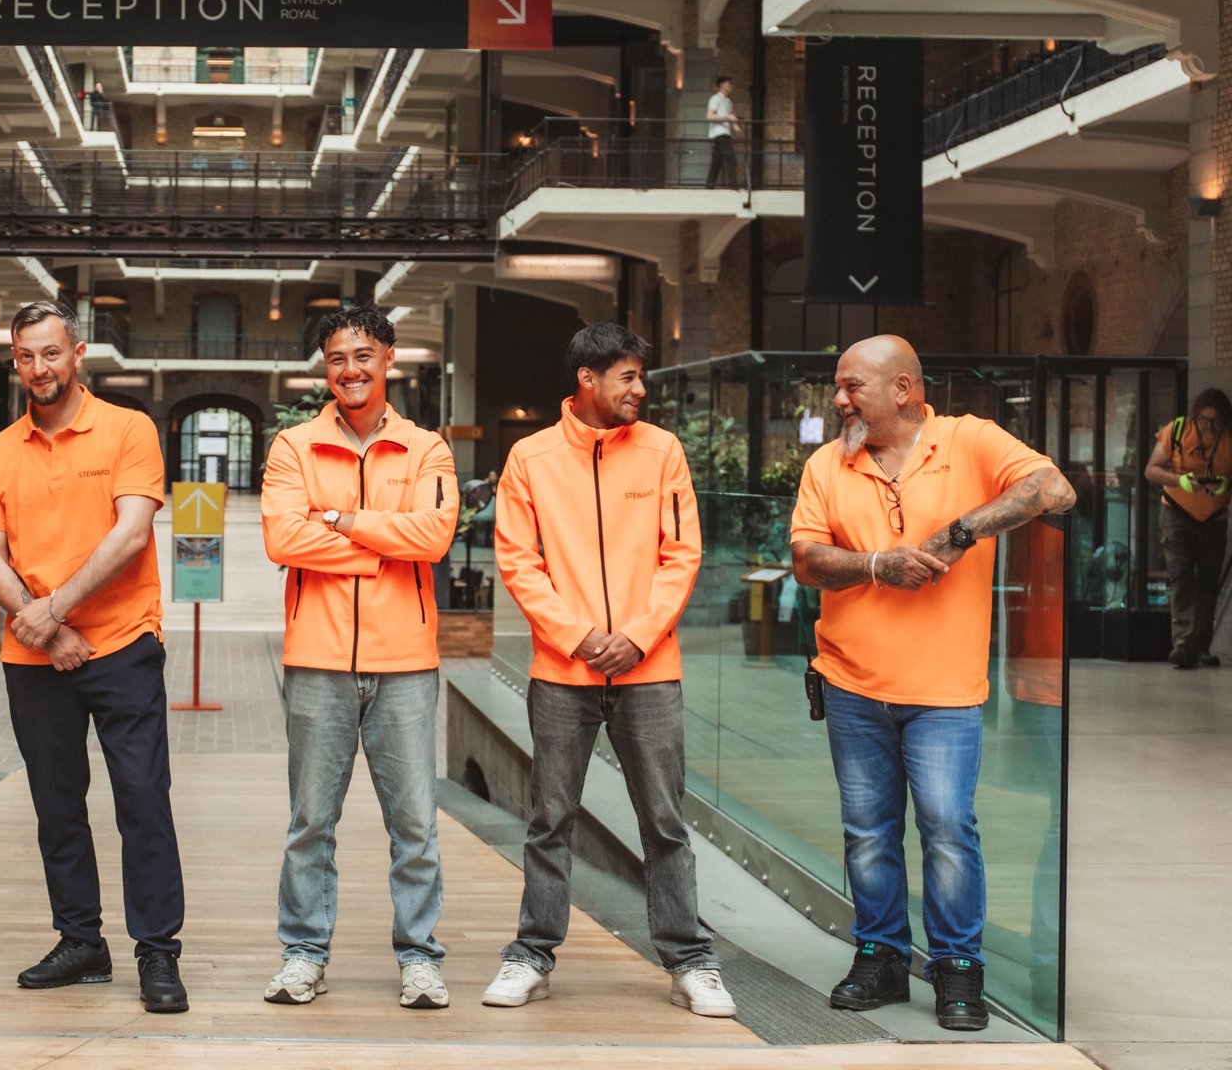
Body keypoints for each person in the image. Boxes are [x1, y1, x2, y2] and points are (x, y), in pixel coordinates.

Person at [789, 335, 1075, 1032]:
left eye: (853, 385)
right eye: (838, 385)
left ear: (904, 390)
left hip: (945, 694)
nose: (840, 398)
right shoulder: (828, 463)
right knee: (868, 834)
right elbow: (804, 559)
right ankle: (881, 956)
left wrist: (958, 534)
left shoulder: (968, 440)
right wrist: (878, 564)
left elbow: (1052, 489)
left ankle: (957, 970)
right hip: (853, 685)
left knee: (948, 829)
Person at [483, 322, 735, 1018]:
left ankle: (690, 961)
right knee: (549, 818)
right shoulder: (530, 458)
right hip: (563, 672)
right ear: (587, 380)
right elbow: (518, 561)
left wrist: (636, 636)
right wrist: (582, 637)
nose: (640, 390)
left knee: (664, 820)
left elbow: (682, 554)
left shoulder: (663, 452)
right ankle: (532, 954)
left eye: (640, 377)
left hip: (649, 669)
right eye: (628, 377)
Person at [0, 300, 188, 1015]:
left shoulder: (128, 429)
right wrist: (46, 630)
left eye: (51, 353)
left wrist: (54, 609)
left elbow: (130, 537)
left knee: (142, 802)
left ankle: (157, 951)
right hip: (35, 658)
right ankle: (81, 942)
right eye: (26, 357)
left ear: (78, 351)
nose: (39, 368)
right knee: (57, 807)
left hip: (122, 644)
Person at [260, 304, 458, 1010]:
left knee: (415, 823)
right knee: (311, 820)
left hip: (406, 660)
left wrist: (342, 522)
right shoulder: (293, 447)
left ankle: (420, 957)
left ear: (389, 360)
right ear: (326, 366)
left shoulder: (427, 448)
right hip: (316, 658)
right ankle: (304, 953)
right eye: (338, 357)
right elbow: (284, 542)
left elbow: (433, 538)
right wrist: (383, 546)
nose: (351, 369)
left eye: (364, 356)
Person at [1143, 388, 1230, 668]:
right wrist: (1180, 480)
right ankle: (1182, 645)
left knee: (1208, 581)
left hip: (1215, 518)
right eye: (1204, 421)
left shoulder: (1229, 436)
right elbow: (1151, 470)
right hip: (1177, 513)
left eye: (1216, 421)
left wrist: (1225, 485)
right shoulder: (1178, 430)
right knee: (1181, 577)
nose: (1210, 427)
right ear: (1195, 417)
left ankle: (1201, 645)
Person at [705, 75, 740, 189]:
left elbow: (730, 118)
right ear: (722, 85)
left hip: (725, 133)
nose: (731, 86)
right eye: (729, 84)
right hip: (719, 133)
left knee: (717, 162)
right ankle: (733, 186)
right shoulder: (715, 99)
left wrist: (737, 129)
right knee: (731, 159)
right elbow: (710, 116)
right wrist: (727, 117)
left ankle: (709, 186)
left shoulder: (729, 101)